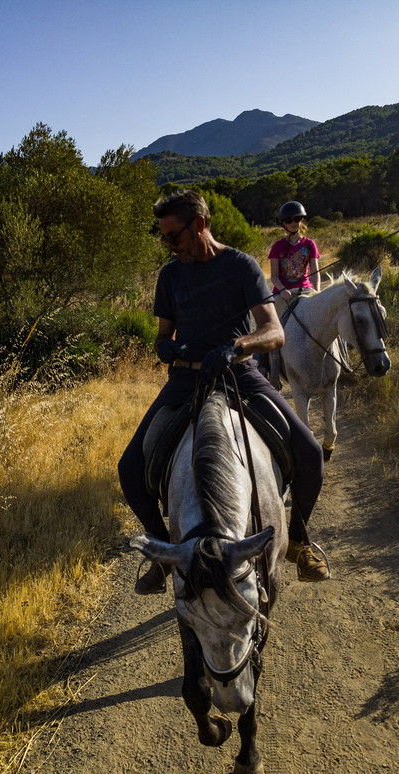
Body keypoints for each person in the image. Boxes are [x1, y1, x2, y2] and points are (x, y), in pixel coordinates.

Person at [117, 190, 328, 594]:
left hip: (239, 375)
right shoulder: (171, 275)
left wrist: (236, 348)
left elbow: (274, 332)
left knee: (310, 454)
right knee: (129, 469)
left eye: (173, 236)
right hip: (184, 381)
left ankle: (298, 541)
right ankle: (163, 553)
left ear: (199, 225)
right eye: (163, 237)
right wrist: (169, 348)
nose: (168, 245)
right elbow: (162, 336)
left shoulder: (240, 266)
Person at [269, 201, 321, 319]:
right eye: (289, 220)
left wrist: (317, 291)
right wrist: (282, 290)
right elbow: (274, 276)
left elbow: (315, 273)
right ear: (283, 223)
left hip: (305, 290)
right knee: (270, 323)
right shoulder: (277, 246)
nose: (293, 223)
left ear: (301, 220)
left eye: (297, 219)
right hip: (283, 293)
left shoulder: (310, 244)